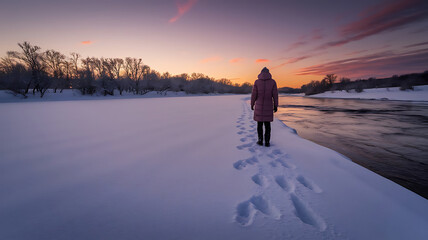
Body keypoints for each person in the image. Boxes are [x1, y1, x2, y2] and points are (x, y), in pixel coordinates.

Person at [250, 67, 279, 147]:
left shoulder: (257, 82)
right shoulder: (273, 82)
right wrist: (276, 105)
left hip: (259, 106)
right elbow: (275, 95)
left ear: (261, 72)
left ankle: (260, 140)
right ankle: (267, 142)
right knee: (267, 125)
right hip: (268, 106)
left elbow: (254, 95)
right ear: (268, 73)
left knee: (259, 124)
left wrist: (252, 104)